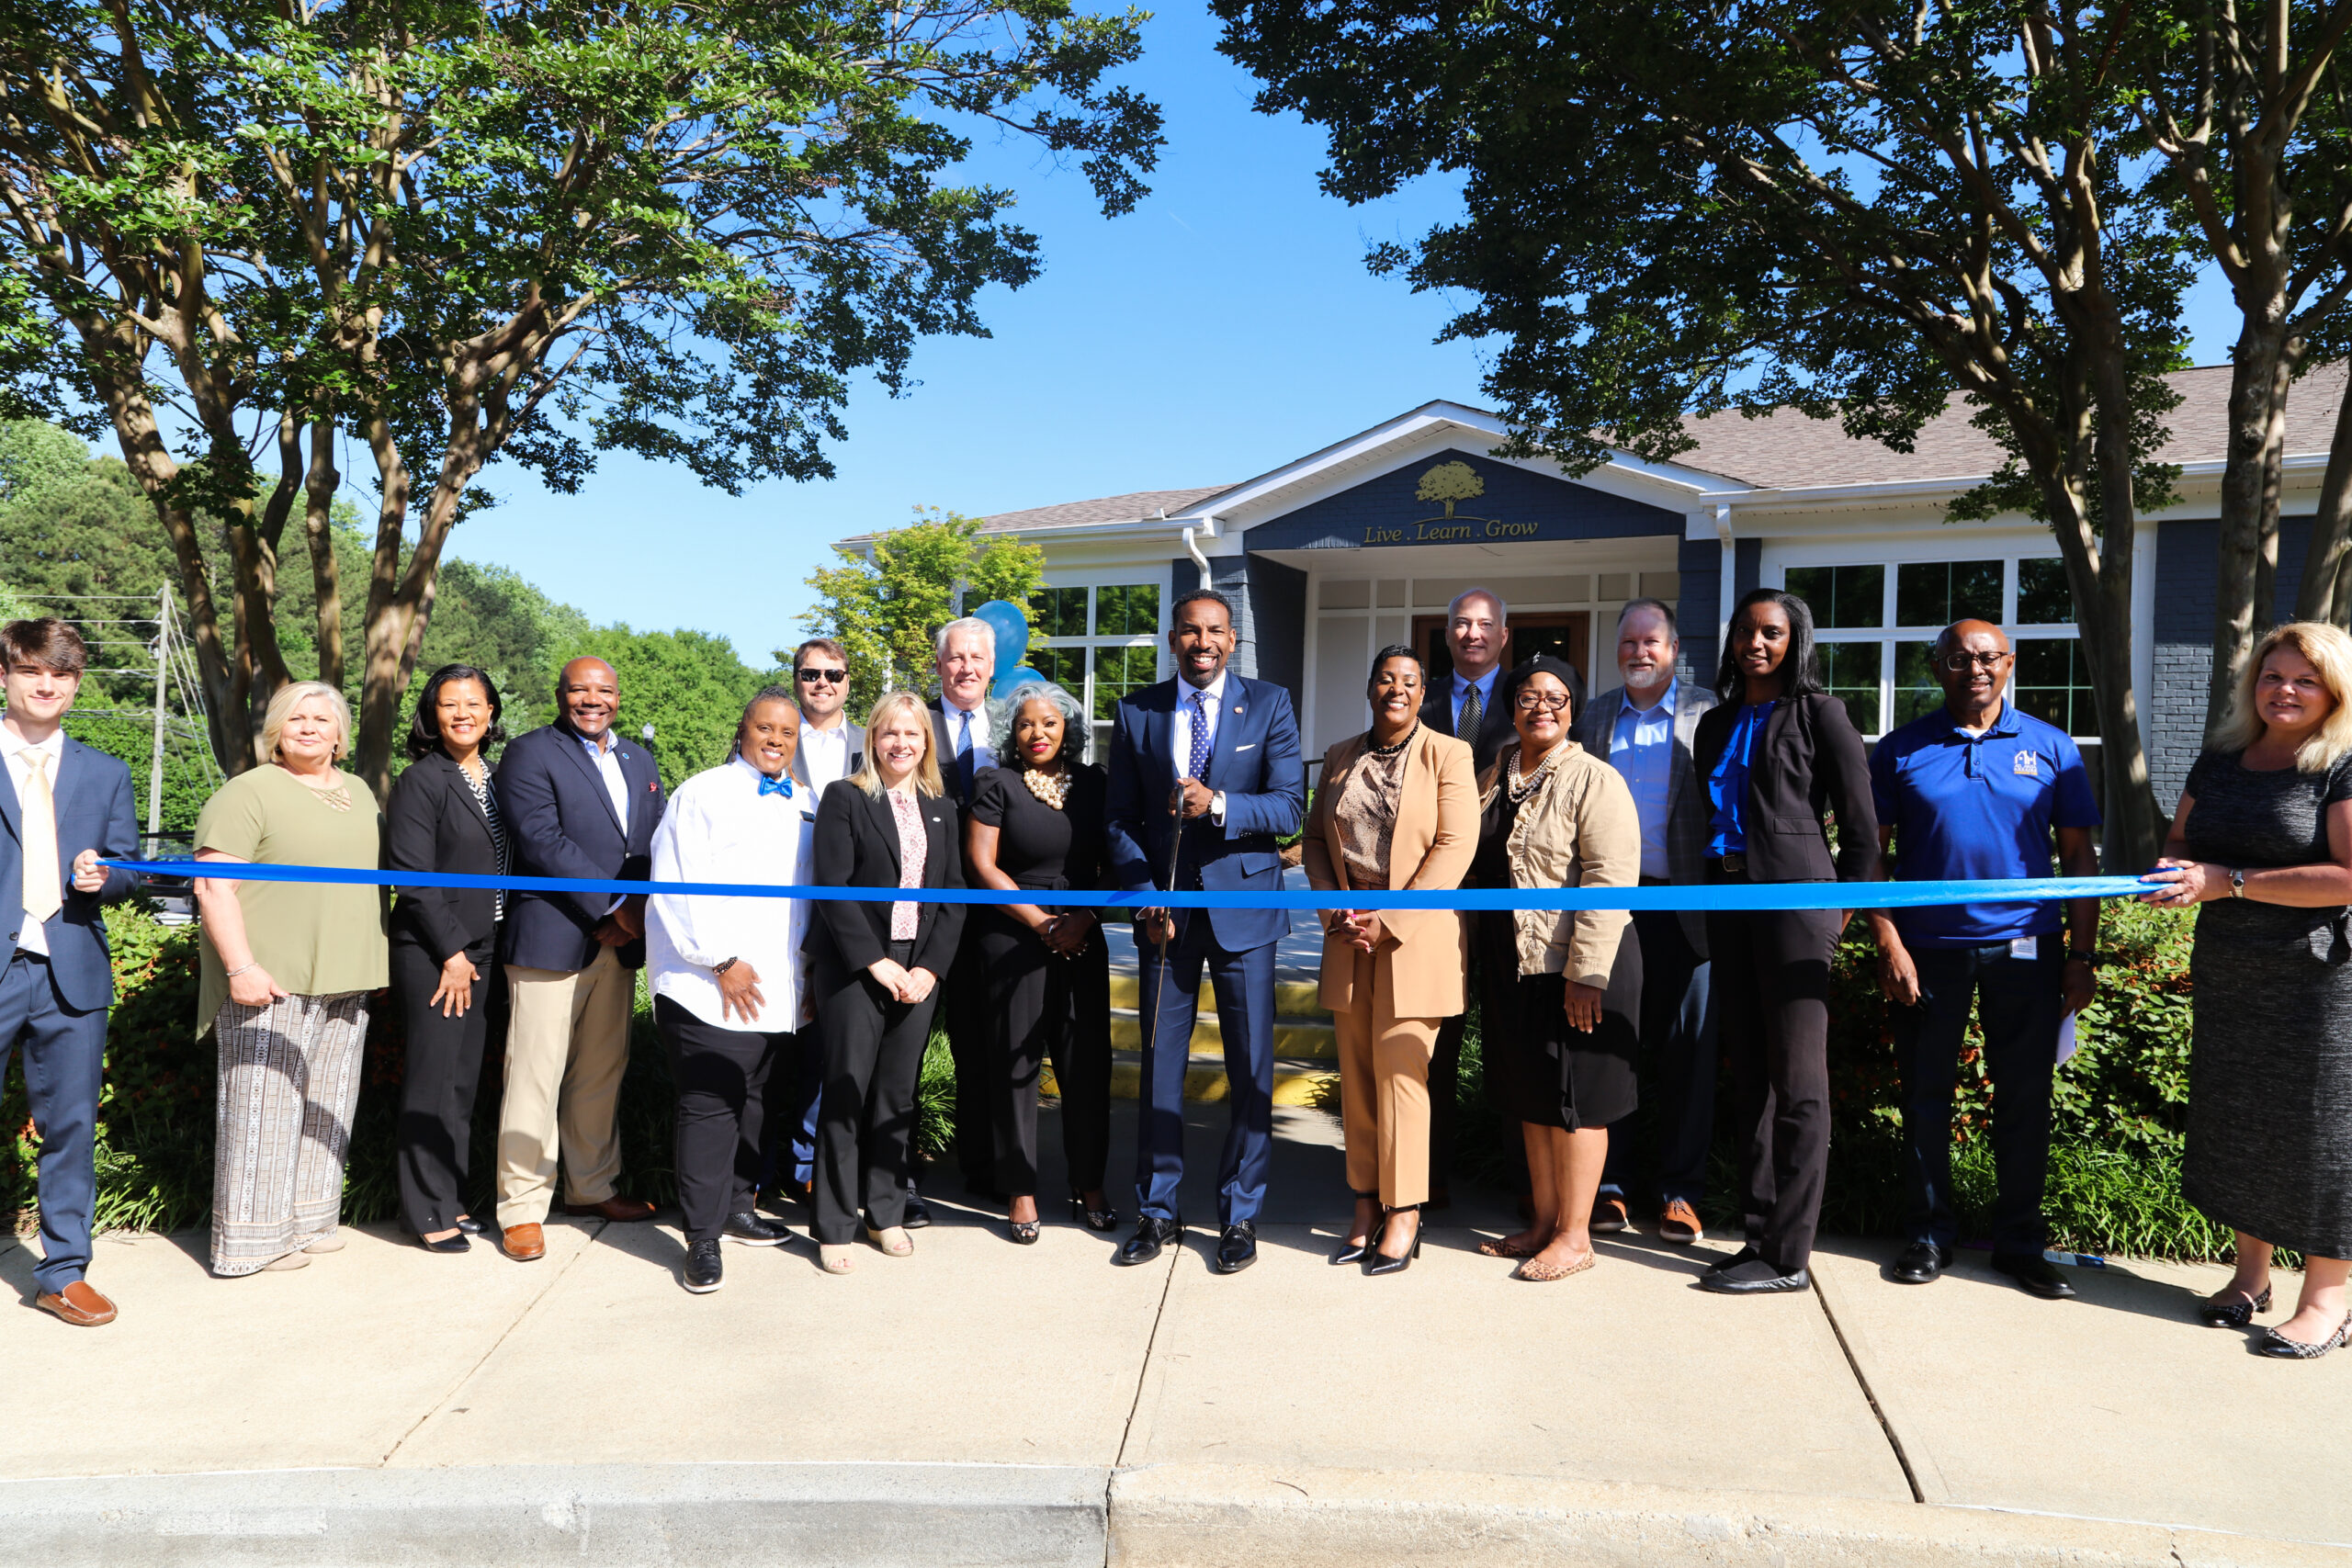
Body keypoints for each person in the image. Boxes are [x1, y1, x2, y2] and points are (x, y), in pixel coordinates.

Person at [1868, 620, 2100, 1300]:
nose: (1976, 668)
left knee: (2026, 1098)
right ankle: (1929, 1234)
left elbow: (2080, 857)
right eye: (1960, 658)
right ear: (1938, 667)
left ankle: (2021, 1243)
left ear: (2010, 664)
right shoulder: (1901, 749)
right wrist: (1888, 940)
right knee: (1925, 1096)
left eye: (1989, 657)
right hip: (1928, 951)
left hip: (2027, 947)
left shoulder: (2052, 748)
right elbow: (1870, 857)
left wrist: (2082, 955)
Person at [2143, 620, 2352, 1359]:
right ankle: (2250, 1278)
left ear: (2333, 689)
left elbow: (2349, 875)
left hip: (2319, 979)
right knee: (2242, 1119)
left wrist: (2226, 882)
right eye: (2272, 676)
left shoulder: (2342, 764)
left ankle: (2327, 1301)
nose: (2284, 690)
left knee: (2322, 1132)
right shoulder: (2221, 760)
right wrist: (2173, 877)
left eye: (2304, 679)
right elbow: (2181, 844)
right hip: (2232, 970)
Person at [1106, 588, 1306, 1274]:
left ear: (1232, 639)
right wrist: (1143, 896)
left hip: (1245, 915)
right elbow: (1119, 819)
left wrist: (1218, 803)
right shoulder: (1137, 711)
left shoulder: (1271, 703)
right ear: (1172, 638)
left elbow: (1288, 806)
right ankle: (1156, 1212)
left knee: (1250, 1071)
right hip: (1165, 921)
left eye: (1215, 630)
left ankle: (1239, 1214)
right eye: (1189, 630)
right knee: (1161, 1068)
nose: (1202, 641)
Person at [1692, 588, 1881, 1296]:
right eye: (1745, 631)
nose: (1756, 643)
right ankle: (1759, 1234)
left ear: (1794, 639)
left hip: (1799, 908)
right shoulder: (1715, 722)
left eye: (1771, 632)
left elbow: (1862, 832)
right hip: (1729, 902)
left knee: (1800, 1081)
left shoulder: (1821, 713)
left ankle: (1790, 1256)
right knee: (1752, 1081)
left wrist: (1835, 917)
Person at [193, 681, 389, 1277]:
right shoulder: (248, 790)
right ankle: (252, 1241)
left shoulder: (359, 791)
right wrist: (241, 968)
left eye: (322, 718)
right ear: (275, 729)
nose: (309, 727)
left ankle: (310, 1218)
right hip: (269, 977)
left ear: (340, 732)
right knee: (263, 1108)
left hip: (346, 975)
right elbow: (212, 886)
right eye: (295, 718)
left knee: (327, 1102)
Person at [1302, 646, 1476, 1274]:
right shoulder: (1340, 755)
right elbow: (1317, 840)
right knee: (1357, 1080)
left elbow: (1457, 845)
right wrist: (1337, 916)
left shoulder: (1448, 755)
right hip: (1350, 940)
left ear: (1422, 692)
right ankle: (1364, 1204)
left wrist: (1390, 918)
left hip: (1414, 940)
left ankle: (1405, 1212)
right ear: (1369, 688)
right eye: (1385, 678)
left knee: (1404, 1077)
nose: (1395, 689)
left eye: (1408, 681)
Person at [1468, 655, 1643, 1280]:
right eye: (1529, 696)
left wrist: (1587, 972)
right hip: (1515, 960)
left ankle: (1575, 1235)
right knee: (1533, 1098)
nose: (1542, 706)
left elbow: (1609, 877)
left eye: (1557, 696)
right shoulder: (1496, 773)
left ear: (1572, 707)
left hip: (1576, 964)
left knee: (1577, 1102)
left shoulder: (1596, 779)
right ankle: (1544, 1222)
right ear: (1511, 706)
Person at [492, 656, 666, 1262]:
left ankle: (590, 1188)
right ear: (560, 694)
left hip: (618, 945)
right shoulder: (529, 753)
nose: (592, 699)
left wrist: (637, 915)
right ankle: (521, 1207)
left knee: (601, 1070)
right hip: (552, 938)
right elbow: (542, 839)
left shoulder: (639, 760)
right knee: (533, 1075)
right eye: (579, 689)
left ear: (619, 695)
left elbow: (650, 845)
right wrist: (614, 907)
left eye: (604, 690)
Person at [648, 688, 812, 1293]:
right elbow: (674, 883)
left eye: (787, 732)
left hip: (777, 988)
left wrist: (806, 976)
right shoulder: (703, 792)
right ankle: (702, 1236)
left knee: (757, 1100)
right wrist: (720, 960)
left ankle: (740, 1205)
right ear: (743, 731)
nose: (776, 739)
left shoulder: (804, 800)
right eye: (765, 728)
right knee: (710, 1105)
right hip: (707, 984)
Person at [2, 620, 139, 1326]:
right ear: (5, 675)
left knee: (71, 1127)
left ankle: (62, 1271)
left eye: (61, 672)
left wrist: (104, 878)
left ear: (76, 683)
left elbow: (127, 870)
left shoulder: (105, 771)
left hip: (71, 972)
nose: (46, 683)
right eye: (30, 669)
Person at [1572, 599, 1718, 1244]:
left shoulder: (1707, 713)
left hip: (1688, 910)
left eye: (1651, 641)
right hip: (1614, 910)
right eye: (1629, 641)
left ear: (1674, 647)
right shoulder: (1594, 715)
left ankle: (1682, 1192)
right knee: (1614, 1046)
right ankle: (1611, 1186)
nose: (1639, 651)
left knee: (1690, 1052)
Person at [807, 690, 967, 1273]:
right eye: (890, 733)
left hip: (919, 969)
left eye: (914, 734)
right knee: (847, 1089)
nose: (902, 744)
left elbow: (952, 898)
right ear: (872, 738)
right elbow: (832, 886)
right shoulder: (845, 798)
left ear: (927, 742)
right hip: (858, 967)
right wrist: (877, 963)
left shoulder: (941, 807)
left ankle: (885, 1211)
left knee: (897, 1095)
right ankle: (831, 1224)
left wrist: (928, 968)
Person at [966, 680, 1115, 1243]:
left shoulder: (1095, 785)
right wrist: (1041, 922)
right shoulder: (995, 782)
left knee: (1086, 1064)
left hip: (1082, 932)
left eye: (1050, 723)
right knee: (1014, 1066)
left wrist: (1082, 918)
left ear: (1068, 729)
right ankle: (1020, 1188)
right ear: (1012, 730)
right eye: (1027, 723)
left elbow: (1115, 861)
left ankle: (1090, 1184)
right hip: (1012, 937)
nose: (1038, 733)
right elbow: (983, 865)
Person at [386, 664, 511, 1254]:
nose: (462, 713)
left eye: (474, 703)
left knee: (461, 1084)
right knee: (433, 1080)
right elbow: (413, 879)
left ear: (491, 713)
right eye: (449, 704)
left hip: (486, 947)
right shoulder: (421, 780)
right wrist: (453, 952)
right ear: (432, 715)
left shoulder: (497, 777)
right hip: (439, 953)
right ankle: (425, 1211)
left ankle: (452, 1199)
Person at [1416, 587, 1524, 1208]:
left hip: (1510, 894)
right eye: (1461, 622)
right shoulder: (1419, 698)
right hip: (1438, 895)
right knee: (1437, 1042)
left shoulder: (1529, 698)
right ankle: (1426, 1181)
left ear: (1503, 635)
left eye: (1485, 624)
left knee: (1512, 1041)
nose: (1473, 632)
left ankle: (1523, 1186)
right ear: (1448, 631)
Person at [766, 637, 862, 1209]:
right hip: (782, 914)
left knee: (832, 1049)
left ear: (849, 680)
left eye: (833, 673)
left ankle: (808, 1164)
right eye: (810, 674)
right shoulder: (773, 737)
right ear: (796, 679)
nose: (821, 683)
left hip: (851, 917)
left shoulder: (870, 743)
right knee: (778, 1043)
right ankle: (763, 1166)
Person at [925, 615, 998, 1216]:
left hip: (993, 911)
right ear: (939, 664)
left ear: (991, 666)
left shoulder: (1017, 723)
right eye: (955, 658)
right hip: (921, 909)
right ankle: (892, 1177)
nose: (966, 667)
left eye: (976, 657)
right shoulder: (910, 725)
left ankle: (983, 1166)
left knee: (982, 1044)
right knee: (905, 1044)